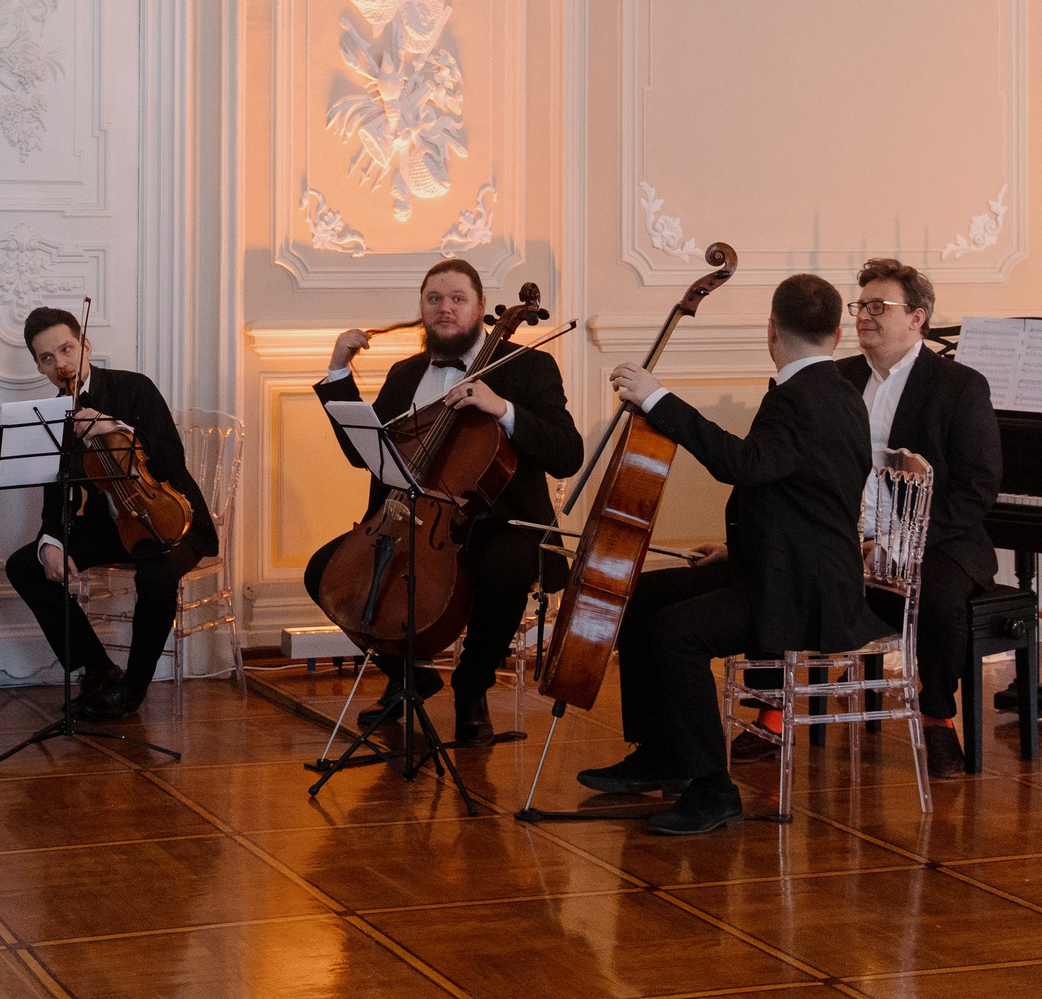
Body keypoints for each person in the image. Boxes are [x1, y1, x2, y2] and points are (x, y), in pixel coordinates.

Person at [588, 272, 880, 836]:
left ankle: (711, 787)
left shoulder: (804, 397)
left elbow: (742, 465)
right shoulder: (835, 391)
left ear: (771, 329)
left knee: (676, 632)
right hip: (781, 568)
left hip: (803, 594)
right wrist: (733, 547)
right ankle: (663, 752)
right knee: (643, 595)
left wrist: (658, 399)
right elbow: (801, 493)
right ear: (838, 333)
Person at [306, 259, 582, 746]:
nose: (445, 309)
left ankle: (471, 689)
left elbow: (567, 455)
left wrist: (502, 409)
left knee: (506, 566)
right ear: (422, 309)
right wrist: (337, 370)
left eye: (457, 299)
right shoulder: (406, 372)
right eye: (434, 299)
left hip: (501, 519)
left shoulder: (529, 366)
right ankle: (407, 676)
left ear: (479, 309)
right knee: (323, 572)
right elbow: (362, 452)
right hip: (410, 520)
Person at [2, 307, 218, 719]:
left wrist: (114, 426)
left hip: (174, 516)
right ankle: (99, 668)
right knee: (24, 565)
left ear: (85, 345)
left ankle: (131, 690)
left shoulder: (133, 388)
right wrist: (50, 542)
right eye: (47, 358)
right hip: (117, 524)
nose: (60, 363)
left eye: (67, 349)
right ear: (38, 364)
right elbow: (57, 490)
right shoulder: (53, 416)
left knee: (157, 571)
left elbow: (172, 457)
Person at [834, 258, 1002, 780]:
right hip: (847, 533)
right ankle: (776, 709)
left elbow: (976, 489)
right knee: (784, 562)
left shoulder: (959, 386)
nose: (864, 316)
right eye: (860, 306)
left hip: (937, 541)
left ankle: (937, 719)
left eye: (878, 307)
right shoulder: (837, 379)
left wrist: (897, 545)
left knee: (938, 595)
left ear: (917, 318)